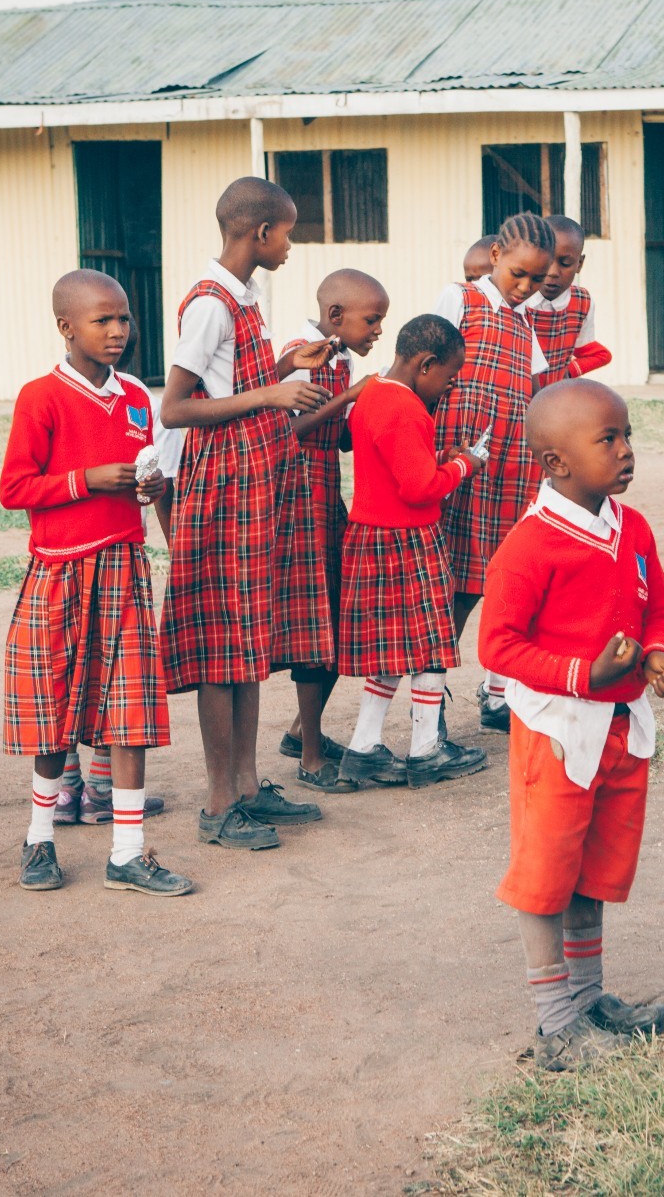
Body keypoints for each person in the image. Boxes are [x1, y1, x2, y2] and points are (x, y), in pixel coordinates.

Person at [479, 378, 664, 1069]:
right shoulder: (531, 543)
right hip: (558, 729)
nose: (627, 451)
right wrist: (582, 676)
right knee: (547, 872)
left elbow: (659, 604)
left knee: (595, 869)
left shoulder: (633, 528)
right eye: (609, 439)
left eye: (627, 435)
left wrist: (658, 653)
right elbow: (496, 647)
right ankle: (554, 1022)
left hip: (623, 724)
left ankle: (591, 998)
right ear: (555, 463)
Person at [0, 271, 191, 896]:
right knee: (52, 708)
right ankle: (40, 838)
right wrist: (88, 481)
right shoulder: (41, 397)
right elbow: (14, 489)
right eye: (102, 321)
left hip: (123, 569)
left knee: (130, 708)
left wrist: (149, 488)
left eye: (124, 319)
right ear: (66, 328)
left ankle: (128, 853)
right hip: (59, 569)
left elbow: (144, 476)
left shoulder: (137, 396)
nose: (117, 332)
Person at [160, 177, 335, 851]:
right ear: (259, 234)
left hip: (258, 480)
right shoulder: (209, 305)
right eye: (288, 232)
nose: (292, 244)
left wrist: (292, 364)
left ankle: (250, 786)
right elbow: (176, 406)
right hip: (225, 483)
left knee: (249, 641)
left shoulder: (246, 295)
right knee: (220, 645)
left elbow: (238, 383)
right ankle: (217, 802)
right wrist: (272, 391)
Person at [335, 314, 487, 787]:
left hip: (370, 535)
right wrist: (465, 464)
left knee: (390, 649)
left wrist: (437, 459)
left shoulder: (373, 394)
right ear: (426, 364)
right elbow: (420, 487)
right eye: (449, 377)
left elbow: (398, 467)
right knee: (430, 646)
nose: (449, 387)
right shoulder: (405, 408)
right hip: (406, 538)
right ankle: (426, 749)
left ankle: (364, 747)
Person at [434, 212, 554, 733]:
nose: (526, 288)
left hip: (509, 472)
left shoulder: (526, 323)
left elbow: (539, 390)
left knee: (497, 580)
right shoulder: (460, 300)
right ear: (496, 256)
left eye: (538, 280)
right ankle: (430, 703)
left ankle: (498, 691)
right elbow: (421, 365)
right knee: (453, 584)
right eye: (519, 275)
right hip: (458, 463)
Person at [274, 269, 387, 793]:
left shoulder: (339, 360)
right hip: (296, 501)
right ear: (337, 317)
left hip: (323, 498)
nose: (378, 330)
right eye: (373, 319)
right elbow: (287, 428)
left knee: (341, 616)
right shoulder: (304, 352)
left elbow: (337, 439)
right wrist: (349, 397)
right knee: (313, 626)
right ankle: (312, 758)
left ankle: (304, 731)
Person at [526, 214, 613, 388]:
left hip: (554, 400)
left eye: (565, 263)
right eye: (545, 260)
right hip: (517, 400)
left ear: (579, 264)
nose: (552, 272)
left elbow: (593, 352)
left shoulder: (581, 303)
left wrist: (571, 370)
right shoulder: (518, 298)